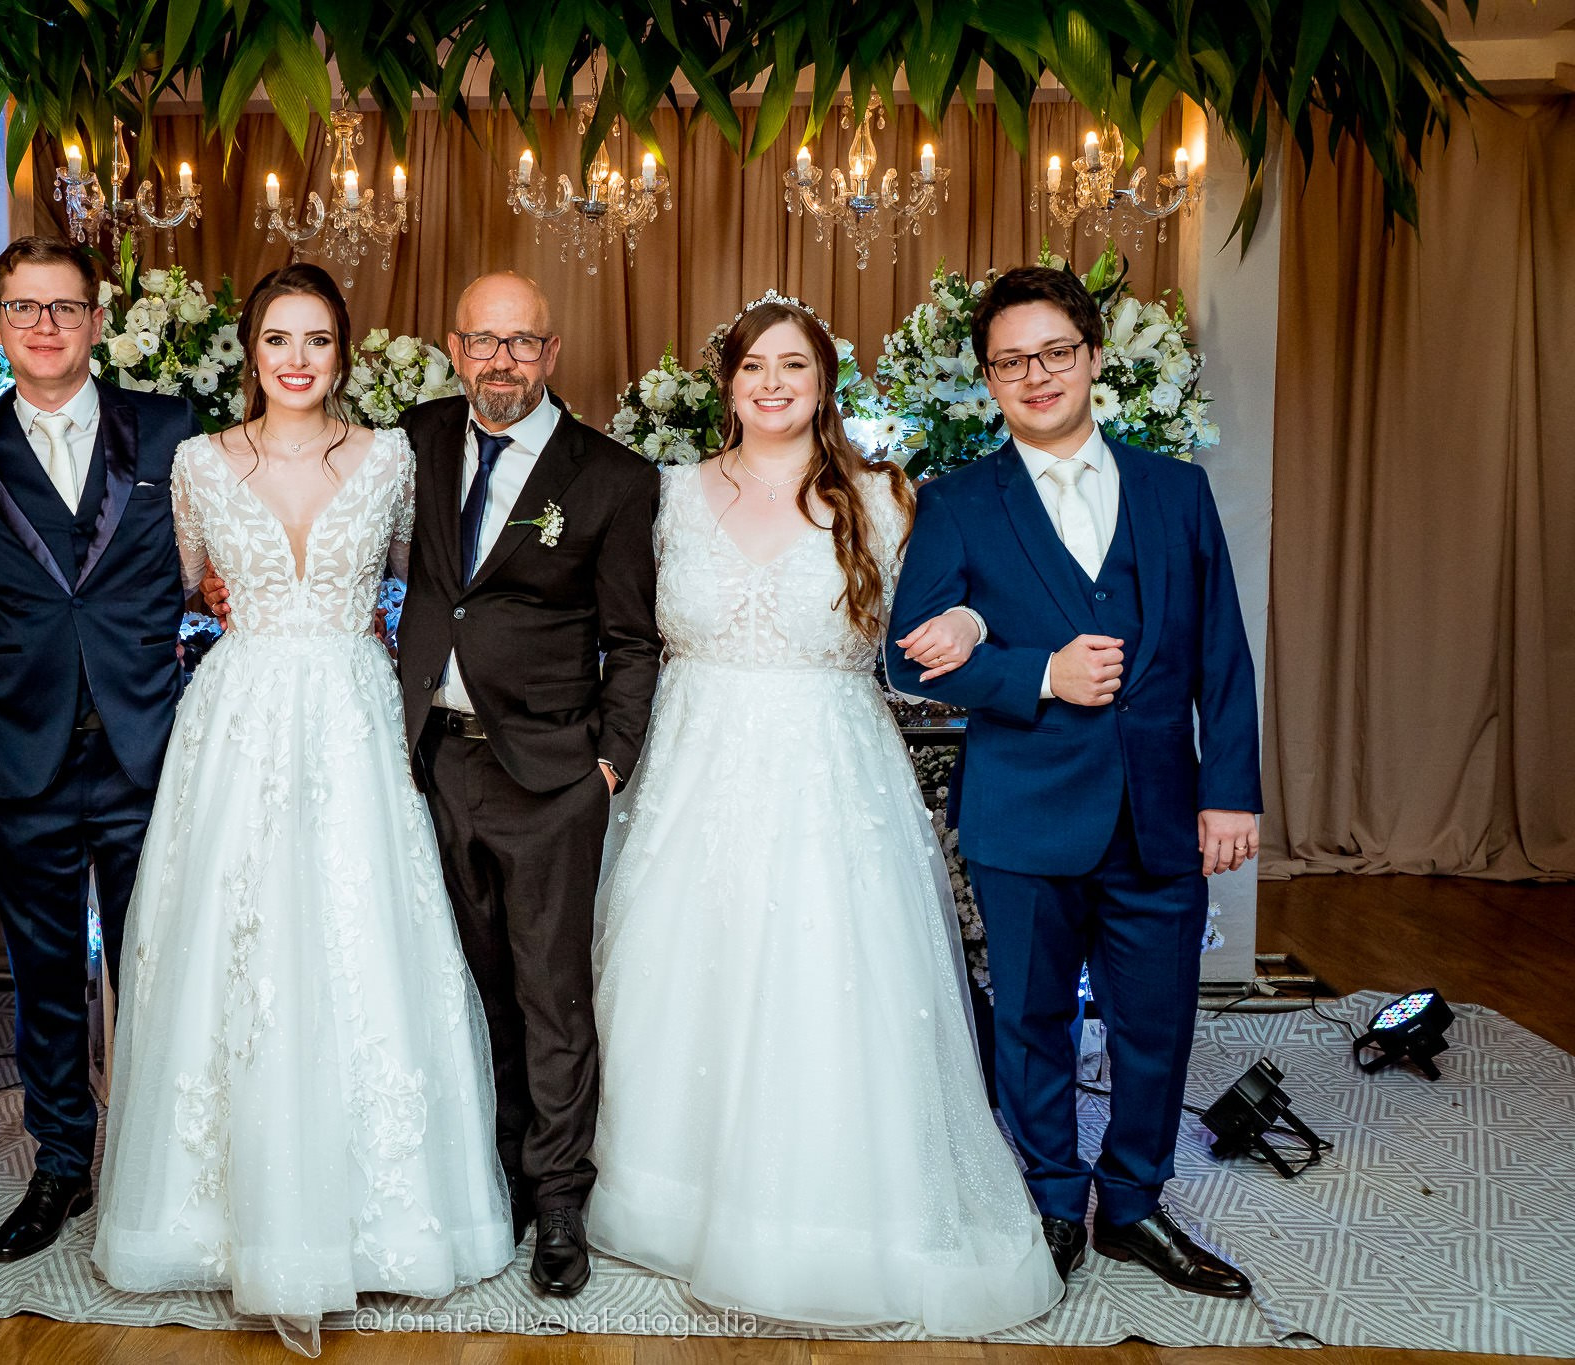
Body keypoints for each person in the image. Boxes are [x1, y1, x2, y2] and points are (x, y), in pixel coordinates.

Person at [585, 295, 1063, 1331]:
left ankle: (825, 1221)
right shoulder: (666, 495)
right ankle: (671, 1205)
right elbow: (611, 623)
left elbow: (977, 596)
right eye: (754, 365)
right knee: (686, 978)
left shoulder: (882, 497)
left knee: (824, 981)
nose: (772, 383)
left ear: (822, 383)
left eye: (792, 365)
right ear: (726, 384)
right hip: (692, 777)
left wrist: (971, 618)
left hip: (829, 781)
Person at [93, 263, 510, 1353]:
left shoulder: (389, 459)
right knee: (230, 938)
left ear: (342, 352)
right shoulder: (198, 462)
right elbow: (183, 582)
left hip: (353, 717)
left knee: (358, 934)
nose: (296, 359)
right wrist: (223, 596)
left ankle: (378, 1217)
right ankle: (214, 1215)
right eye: (277, 338)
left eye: (316, 340)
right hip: (236, 720)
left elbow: (432, 583)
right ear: (250, 349)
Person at [886, 264, 1263, 1299]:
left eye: (1054, 352)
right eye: (1010, 361)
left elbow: (1222, 653)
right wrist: (1037, 675)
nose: (1035, 375)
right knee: (1031, 1019)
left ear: (1093, 358)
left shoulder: (1174, 490)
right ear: (987, 380)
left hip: (1160, 807)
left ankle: (1132, 1206)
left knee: (1157, 1022)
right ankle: (1053, 1197)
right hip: (1023, 812)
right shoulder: (955, 502)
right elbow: (906, 658)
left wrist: (1229, 791)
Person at [391, 272, 662, 1296]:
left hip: (550, 775)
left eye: (521, 342)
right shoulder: (415, 441)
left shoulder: (611, 477)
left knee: (552, 997)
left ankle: (557, 1201)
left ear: (550, 353)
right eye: (482, 340)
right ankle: (495, 1177)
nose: (499, 360)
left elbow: (633, 639)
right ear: (454, 348)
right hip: (433, 760)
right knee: (472, 986)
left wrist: (608, 765)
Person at [0, 236, 199, 1263]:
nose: (44, 326)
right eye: (24, 308)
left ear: (96, 318)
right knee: (43, 978)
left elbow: (213, 553)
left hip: (150, 746)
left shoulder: (171, 428)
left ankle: (160, 1164)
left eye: (64, 307)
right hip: (24, 751)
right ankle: (59, 1164)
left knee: (160, 971)